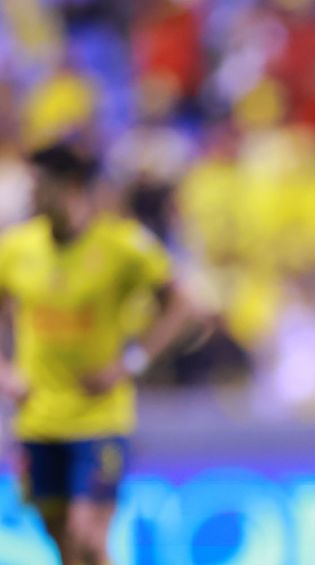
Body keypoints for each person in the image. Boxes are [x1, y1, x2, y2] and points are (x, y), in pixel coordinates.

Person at [0, 144, 193, 565]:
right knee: (64, 543)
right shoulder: (16, 248)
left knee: (86, 534)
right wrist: (4, 371)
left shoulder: (121, 246)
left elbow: (181, 304)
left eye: (38, 186)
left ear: (70, 187)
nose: (30, 195)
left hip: (100, 418)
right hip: (38, 418)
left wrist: (131, 363)